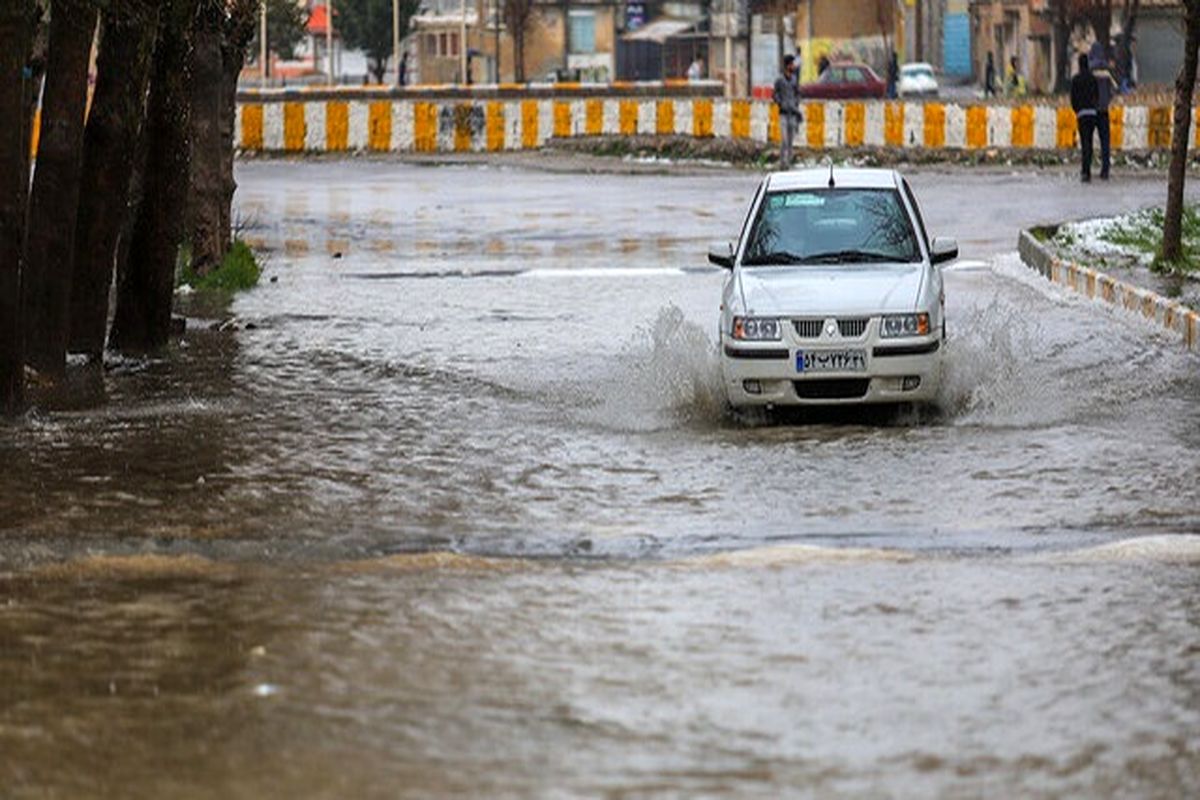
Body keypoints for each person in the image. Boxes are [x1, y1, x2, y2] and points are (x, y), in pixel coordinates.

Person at [1070, 53, 1099, 183]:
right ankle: (1088, 170)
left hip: (1081, 114)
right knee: (1090, 142)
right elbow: (1097, 95)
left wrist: (1077, 110)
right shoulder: (1093, 79)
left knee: (1084, 142)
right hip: (1092, 113)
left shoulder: (1076, 80)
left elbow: (1073, 98)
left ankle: (1084, 171)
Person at [773, 54, 802, 169]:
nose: (793, 66)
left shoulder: (794, 80)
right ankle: (783, 162)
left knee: (790, 141)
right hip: (783, 114)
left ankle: (788, 162)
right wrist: (780, 103)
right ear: (787, 65)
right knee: (784, 139)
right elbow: (775, 94)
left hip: (793, 114)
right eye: (791, 64)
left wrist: (796, 103)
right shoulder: (779, 80)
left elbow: (798, 93)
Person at [1092, 48, 1117, 180]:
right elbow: (1114, 90)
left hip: (1092, 110)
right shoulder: (1107, 73)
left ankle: (1087, 169)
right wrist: (1106, 100)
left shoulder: (1090, 71)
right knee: (1105, 142)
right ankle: (1105, 170)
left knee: (1088, 141)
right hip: (1104, 110)